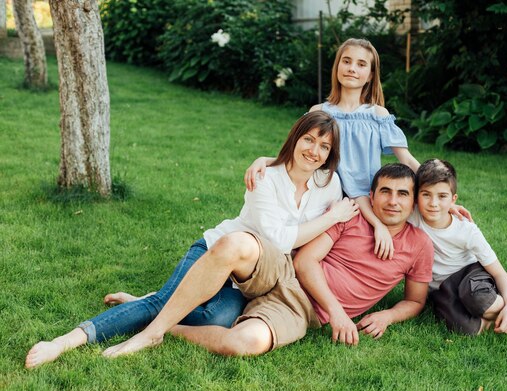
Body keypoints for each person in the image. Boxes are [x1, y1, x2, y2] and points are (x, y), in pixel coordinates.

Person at [25, 111, 360, 369]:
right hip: (220, 251)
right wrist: (331, 218)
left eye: (324, 146)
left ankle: (147, 303)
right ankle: (70, 340)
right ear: (295, 138)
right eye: (309, 140)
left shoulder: (327, 184)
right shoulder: (265, 177)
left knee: (213, 321)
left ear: (331, 154)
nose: (314, 151)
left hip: (246, 279)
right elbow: (280, 240)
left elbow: (364, 196)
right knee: (161, 310)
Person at [97, 163, 433, 358]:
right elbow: (305, 263)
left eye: (402, 193)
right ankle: (155, 313)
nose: (392, 201)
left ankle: (161, 321)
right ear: (371, 196)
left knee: (245, 342)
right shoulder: (349, 217)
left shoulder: (419, 245)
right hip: (284, 270)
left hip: (300, 309)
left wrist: (387, 316)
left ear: (413, 199)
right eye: (385, 191)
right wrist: (339, 313)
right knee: (235, 245)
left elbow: (415, 300)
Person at [244, 39, 470, 261]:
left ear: (371, 74)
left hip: (369, 197)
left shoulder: (377, 114)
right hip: (325, 195)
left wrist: (436, 192)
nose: (352, 68)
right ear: (337, 67)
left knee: (431, 218)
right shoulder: (320, 111)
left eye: (361, 64)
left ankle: (459, 266)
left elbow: (407, 160)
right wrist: (264, 160)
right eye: (346, 61)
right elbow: (304, 157)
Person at [412, 159, 507, 335]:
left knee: (478, 299)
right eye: (426, 194)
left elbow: (499, 273)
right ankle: (503, 314)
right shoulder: (411, 216)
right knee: (464, 329)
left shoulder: (466, 229)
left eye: (442, 196)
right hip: (440, 287)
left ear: (453, 199)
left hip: (469, 275)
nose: (433, 203)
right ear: (416, 196)